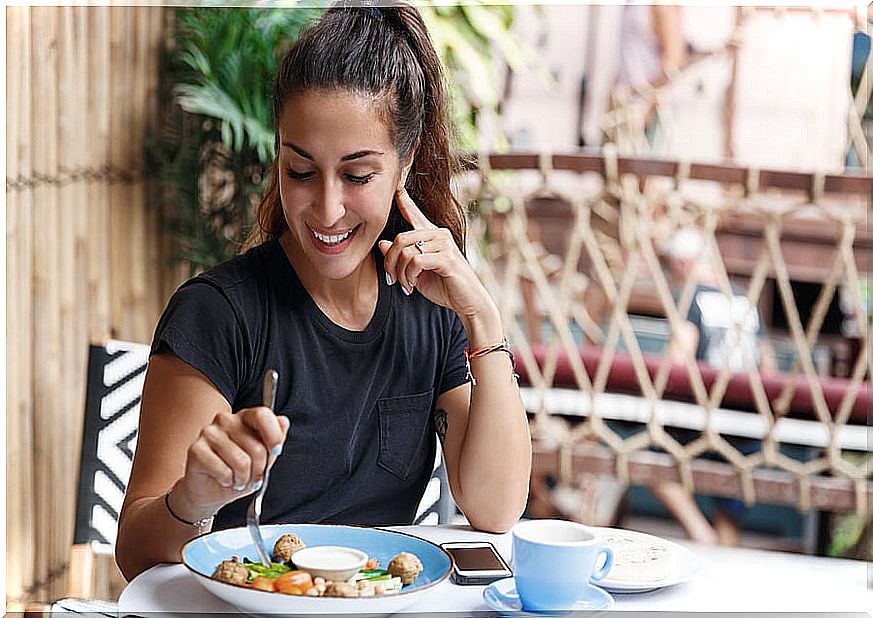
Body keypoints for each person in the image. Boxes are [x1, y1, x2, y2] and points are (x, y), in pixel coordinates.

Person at [116, 3, 531, 581]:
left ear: (404, 164)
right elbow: (135, 553)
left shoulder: (428, 307)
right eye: (301, 171)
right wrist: (195, 497)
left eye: (358, 175)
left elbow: (496, 508)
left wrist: (482, 318)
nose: (328, 208)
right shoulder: (220, 312)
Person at [655, 227, 775, 546]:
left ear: (682, 263)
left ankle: (700, 534)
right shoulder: (743, 298)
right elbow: (768, 365)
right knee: (728, 512)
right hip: (747, 423)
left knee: (652, 462)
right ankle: (721, 550)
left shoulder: (688, 295)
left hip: (703, 417)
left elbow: (679, 359)